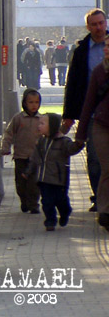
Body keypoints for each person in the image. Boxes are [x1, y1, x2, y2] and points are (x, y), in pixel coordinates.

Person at [61, 8, 107, 211]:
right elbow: (73, 84)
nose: (99, 28)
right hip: (93, 113)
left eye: (101, 23)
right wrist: (69, 115)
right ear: (88, 27)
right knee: (95, 159)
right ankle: (100, 199)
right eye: (94, 24)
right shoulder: (81, 51)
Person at [24, 112, 83, 231]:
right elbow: (35, 158)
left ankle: (65, 212)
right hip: (44, 179)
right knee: (47, 202)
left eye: (42, 123)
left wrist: (79, 143)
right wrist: (28, 171)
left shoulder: (63, 141)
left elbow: (71, 149)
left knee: (61, 200)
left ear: (52, 126)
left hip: (59, 179)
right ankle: (50, 221)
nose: (39, 126)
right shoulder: (41, 141)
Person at [74, 41, 109, 230]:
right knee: (107, 168)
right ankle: (105, 211)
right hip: (102, 126)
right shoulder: (99, 71)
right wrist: (80, 134)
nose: (106, 49)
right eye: (106, 46)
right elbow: (88, 104)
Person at [0, 88, 44, 214]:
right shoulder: (18, 118)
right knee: (21, 183)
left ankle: (34, 203)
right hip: (20, 156)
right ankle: (24, 200)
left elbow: (47, 136)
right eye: (30, 102)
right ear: (24, 103)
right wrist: (5, 148)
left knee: (34, 183)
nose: (34, 105)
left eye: (36, 102)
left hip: (36, 158)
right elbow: (8, 134)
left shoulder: (41, 119)